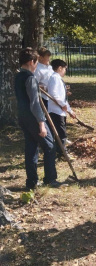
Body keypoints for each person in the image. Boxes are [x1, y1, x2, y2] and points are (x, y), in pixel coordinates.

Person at [14, 48, 63, 189]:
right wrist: (41, 124)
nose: (37, 66)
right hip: (33, 117)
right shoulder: (30, 78)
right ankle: (50, 179)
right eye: (36, 63)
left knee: (31, 149)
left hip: (23, 116)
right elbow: (35, 103)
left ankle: (31, 182)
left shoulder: (18, 76)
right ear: (31, 62)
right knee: (50, 146)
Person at [47, 59, 76, 158]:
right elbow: (53, 94)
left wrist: (70, 110)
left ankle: (60, 150)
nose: (65, 71)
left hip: (60, 110)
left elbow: (62, 97)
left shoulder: (57, 78)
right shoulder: (54, 78)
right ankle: (62, 152)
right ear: (60, 68)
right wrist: (62, 104)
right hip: (56, 110)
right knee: (61, 133)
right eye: (65, 69)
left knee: (61, 131)